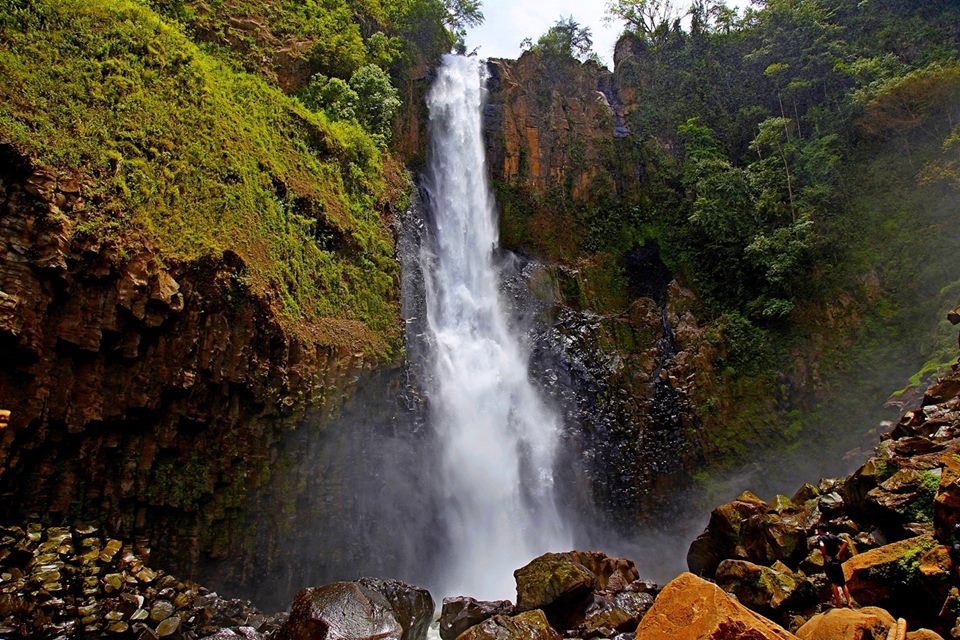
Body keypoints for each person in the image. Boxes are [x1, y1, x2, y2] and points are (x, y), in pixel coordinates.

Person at [816, 525, 854, 608]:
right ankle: (849, 602)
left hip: (829, 562)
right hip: (837, 561)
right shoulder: (833, 536)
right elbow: (845, 542)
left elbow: (822, 545)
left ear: (820, 530)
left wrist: (825, 555)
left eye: (818, 530)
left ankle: (839, 604)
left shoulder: (820, 538)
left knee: (834, 583)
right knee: (843, 583)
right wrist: (839, 554)